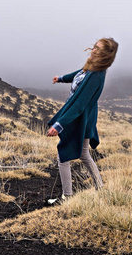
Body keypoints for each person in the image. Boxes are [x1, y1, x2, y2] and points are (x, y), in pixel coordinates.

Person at [47, 37, 118, 202]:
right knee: (84, 154)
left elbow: (79, 104)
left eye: (99, 50)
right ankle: (100, 189)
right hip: (85, 117)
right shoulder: (92, 67)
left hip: (79, 118)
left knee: (63, 154)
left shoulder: (96, 75)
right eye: (95, 47)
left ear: (106, 55)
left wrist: (59, 125)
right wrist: (61, 78)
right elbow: (78, 74)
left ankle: (67, 197)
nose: (94, 51)